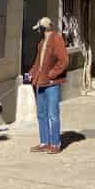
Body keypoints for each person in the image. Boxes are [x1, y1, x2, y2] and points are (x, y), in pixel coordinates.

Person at [26, 16, 68, 153]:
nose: (38, 31)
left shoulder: (57, 39)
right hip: (40, 83)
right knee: (41, 114)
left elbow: (64, 61)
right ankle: (45, 142)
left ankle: (55, 144)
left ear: (43, 28)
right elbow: (38, 63)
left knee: (53, 114)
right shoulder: (42, 43)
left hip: (51, 83)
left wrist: (52, 75)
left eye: (39, 28)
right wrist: (31, 74)